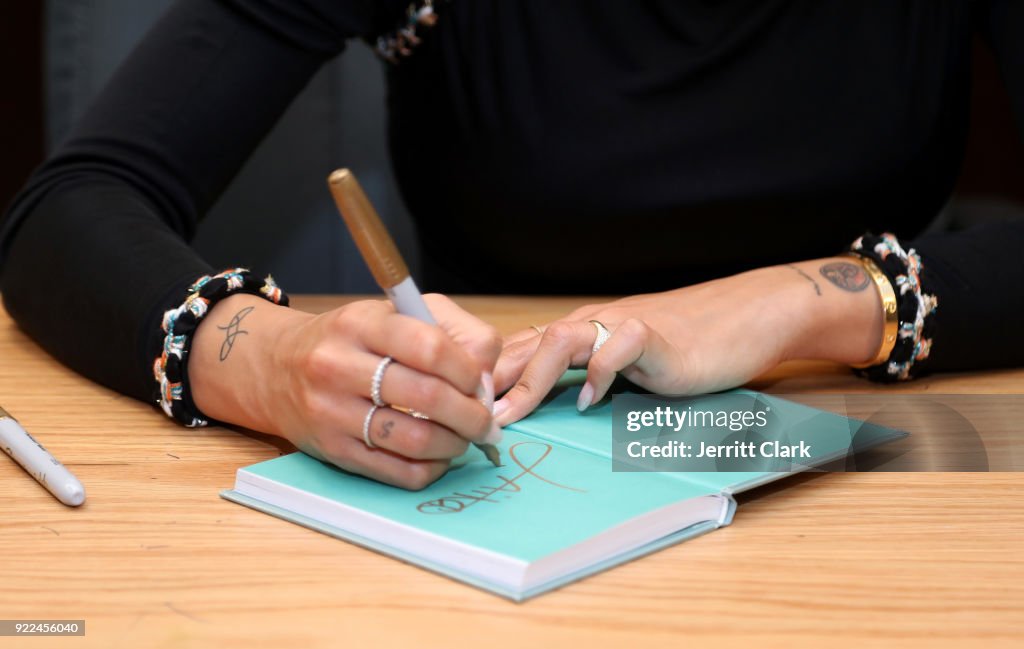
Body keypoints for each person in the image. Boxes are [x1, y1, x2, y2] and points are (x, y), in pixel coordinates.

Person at [2, 0, 1022, 489]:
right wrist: (266, 361)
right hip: (480, 465)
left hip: (868, 485)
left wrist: (809, 300)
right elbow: (73, 206)